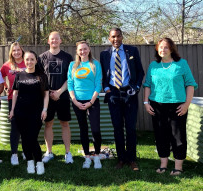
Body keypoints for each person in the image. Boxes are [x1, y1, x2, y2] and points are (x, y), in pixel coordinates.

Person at [143, 38, 197, 175]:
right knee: (161, 135)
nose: (163, 50)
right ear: (157, 49)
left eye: (166, 47)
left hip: (177, 105)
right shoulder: (153, 66)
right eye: (160, 47)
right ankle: (163, 164)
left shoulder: (181, 64)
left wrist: (186, 104)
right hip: (157, 105)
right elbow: (147, 85)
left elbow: (190, 84)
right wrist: (146, 102)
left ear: (172, 49)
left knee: (177, 135)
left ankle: (178, 166)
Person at [100, 28, 145, 171]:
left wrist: (136, 87)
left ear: (122, 36)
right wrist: (106, 89)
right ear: (109, 38)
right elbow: (103, 74)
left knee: (130, 128)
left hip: (129, 93)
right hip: (113, 94)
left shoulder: (132, 51)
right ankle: (121, 158)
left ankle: (131, 159)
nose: (116, 39)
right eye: (113, 37)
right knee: (117, 128)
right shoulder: (104, 54)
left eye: (118, 36)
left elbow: (140, 72)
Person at [9, 51, 49, 175]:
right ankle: (30, 162)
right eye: (27, 59)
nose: (29, 62)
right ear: (24, 61)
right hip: (21, 112)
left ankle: (39, 162)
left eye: (32, 59)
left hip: (36, 112)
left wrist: (45, 109)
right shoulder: (19, 75)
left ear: (36, 61)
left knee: (32, 138)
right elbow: (15, 93)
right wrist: (12, 110)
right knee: (25, 139)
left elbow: (46, 94)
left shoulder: (42, 76)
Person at [38, 31, 74, 164]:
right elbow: (40, 78)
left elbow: (70, 78)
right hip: (47, 97)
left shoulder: (67, 57)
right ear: (48, 41)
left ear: (60, 41)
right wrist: (48, 92)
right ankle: (49, 152)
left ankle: (68, 153)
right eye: (51, 39)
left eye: (56, 39)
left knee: (65, 123)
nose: (54, 41)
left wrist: (59, 92)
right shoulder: (41, 58)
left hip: (63, 96)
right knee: (48, 123)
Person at [67, 41, 103, 169]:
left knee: (95, 130)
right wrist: (75, 101)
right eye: (80, 50)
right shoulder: (72, 65)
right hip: (77, 102)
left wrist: (91, 102)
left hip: (92, 101)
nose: (83, 51)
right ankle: (87, 157)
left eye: (85, 49)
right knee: (83, 130)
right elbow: (70, 84)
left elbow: (98, 84)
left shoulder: (95, 64)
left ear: (89, 49)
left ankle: (97, 155)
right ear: (77, 51)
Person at [0, 42, 26, 165]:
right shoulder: (7, 66)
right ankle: (14, 154)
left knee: (27, 127)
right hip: (12, 99)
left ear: (22, 50)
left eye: (18, 50)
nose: (16, 52)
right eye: (14, 50)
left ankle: (26, 151)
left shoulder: (28, 61)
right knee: (15, 128)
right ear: (11, 52)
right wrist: (5, 86)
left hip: (28, 99)